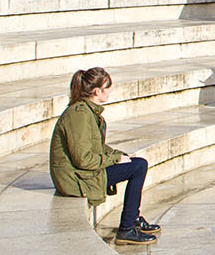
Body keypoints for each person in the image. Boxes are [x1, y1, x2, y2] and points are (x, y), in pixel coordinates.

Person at [49, 68, 160, 245]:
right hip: (74, 179)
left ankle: (133, 219)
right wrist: (114, 160)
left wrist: (117, 155)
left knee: (135, 163)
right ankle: (127, 228)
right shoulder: (79, 115)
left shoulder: (87, 112)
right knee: (139, 167)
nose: (110, 91)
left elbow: (96, 147)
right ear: (97, 91)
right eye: (107, 88)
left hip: (80, 173)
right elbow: (83, 159)